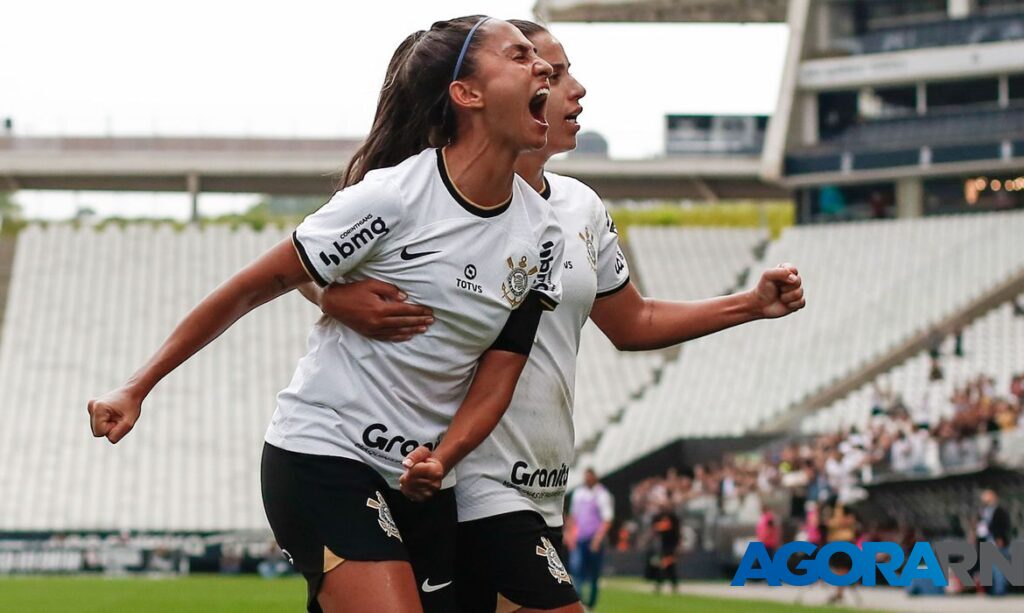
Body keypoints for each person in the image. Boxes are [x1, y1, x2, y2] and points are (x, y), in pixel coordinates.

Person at [305, 19, 807, 613]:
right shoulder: (430, 196)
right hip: (470, 479)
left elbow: (632, 321)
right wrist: (329, 295)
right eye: (553, 70)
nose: (573, 87)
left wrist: (748, 305)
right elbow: (309, 264)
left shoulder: (579, 207)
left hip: (540, 486)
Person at [87, 16, 565, 613]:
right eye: (519, 56)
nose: (544, 66)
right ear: (466, 94)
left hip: (419, 478)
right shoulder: (393, 197)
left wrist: (443, 457)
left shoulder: (543, 232)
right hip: (321, 454)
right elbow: (247, 289)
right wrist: (137, 386)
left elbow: (500, 372)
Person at [568, 468, 614, 608]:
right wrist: (571, 535)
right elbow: (573, 517)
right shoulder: (578, 493)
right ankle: (579, 600)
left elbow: (607, 519)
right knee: (577, 570)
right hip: (580, 538)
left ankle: (591, 604)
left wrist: (598, 538)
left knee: (594, 573)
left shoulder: (602, 494)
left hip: (594, 539)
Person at [977, 488, 1012, 596]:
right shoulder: (984, 511)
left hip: (997, 543)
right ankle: (992, 590)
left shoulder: (999, 511)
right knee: (990, 569)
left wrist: (1000, 538)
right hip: (987, 543)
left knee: (998, 568)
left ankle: (999, 591)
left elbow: (1003, 526)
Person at [650, 501, 682, 594]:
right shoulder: (659, 517)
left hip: (671, 546)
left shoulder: (673, 518)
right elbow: (655, 528)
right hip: (665, 545)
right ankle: (674, 585)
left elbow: (677, 532)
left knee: (664, 565)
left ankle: (659, 585)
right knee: (670, 567)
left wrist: (678, 546)